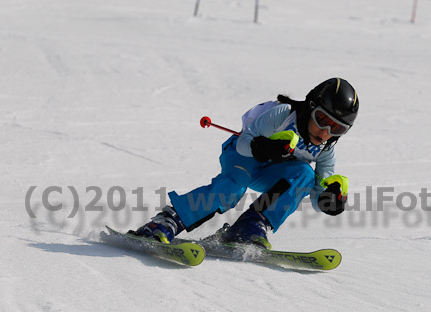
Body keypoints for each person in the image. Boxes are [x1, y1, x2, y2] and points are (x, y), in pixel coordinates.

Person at [132, 77, 359, 249]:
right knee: (232, 188)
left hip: (269, 172)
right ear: (310, 107)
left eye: (337, 128)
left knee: (305, 175)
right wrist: (263, 147)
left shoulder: (325, 152)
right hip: (242, 157)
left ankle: (251, 225)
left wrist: (330, 201)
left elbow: (317, 196)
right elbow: (243, 143)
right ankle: (166, 222)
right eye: (322, 120)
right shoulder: (283, 115)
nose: (326, 132)